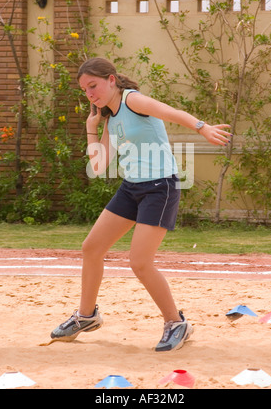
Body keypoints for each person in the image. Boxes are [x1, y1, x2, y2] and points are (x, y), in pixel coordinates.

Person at [50, 57, 231, 352]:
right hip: (131, 188)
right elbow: (98, 166)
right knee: (91, 248)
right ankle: (86, 316)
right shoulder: (110, 117)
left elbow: (170, 112)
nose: (90, 94)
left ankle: (176, 323)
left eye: (93, 85)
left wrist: (202, 127)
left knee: (139, 262)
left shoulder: (132, 100)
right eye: (85, 90)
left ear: (111, 79)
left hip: (160, 187)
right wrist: (91, 127)